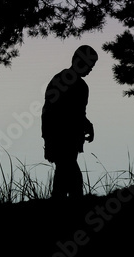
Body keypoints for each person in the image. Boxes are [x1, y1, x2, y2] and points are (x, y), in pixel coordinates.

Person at [42, 45, 98, 200]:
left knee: (63, 173)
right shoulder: (74, 85)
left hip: (65, 138)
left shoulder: (70, 83)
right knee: (70, 175)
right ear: (78, 61)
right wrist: (49, 137)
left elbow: (77, 113)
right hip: (62, 138)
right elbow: (57, 112)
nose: (90, 70)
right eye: (89, 65)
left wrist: (87, 125)